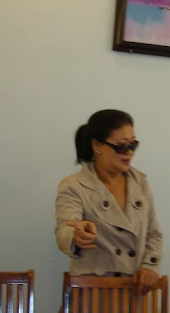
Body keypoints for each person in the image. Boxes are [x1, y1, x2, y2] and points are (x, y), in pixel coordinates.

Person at [55, 109, 163, 295]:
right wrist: (76, 236)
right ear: (97, 145)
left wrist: (150, 266)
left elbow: (154, 234)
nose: (129, 152)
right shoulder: (74, 186)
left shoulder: (141, 183)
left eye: (133, 145)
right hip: (92, 294)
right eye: (121, 146)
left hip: (135, 291)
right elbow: (65, 229)